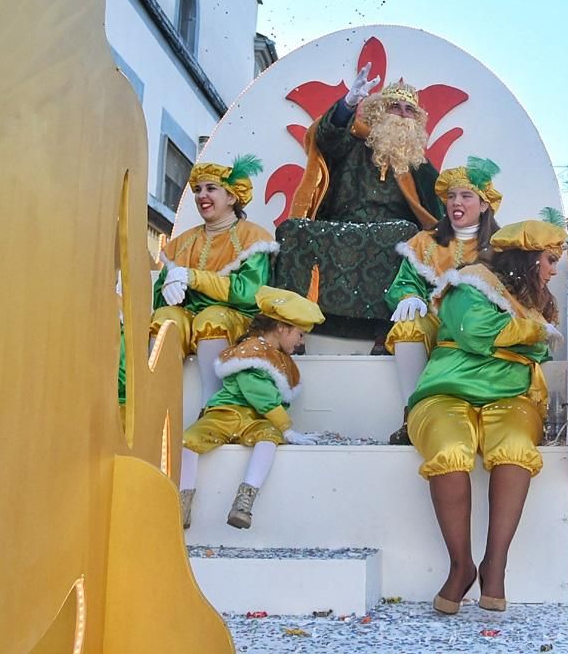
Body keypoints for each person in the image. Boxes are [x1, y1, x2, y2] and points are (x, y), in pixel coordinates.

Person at [406, 218, 565, 614]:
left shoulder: (537, 300)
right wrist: (530, 334)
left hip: (512, 395)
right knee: (450, 449)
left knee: (515, 447)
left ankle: (496, 564)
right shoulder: (469, 281)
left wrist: (517, 336)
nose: (554, 269)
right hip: (446, 390)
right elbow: (475, 331)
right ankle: (461, 566)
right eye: (549, 259)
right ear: (528, 258)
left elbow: (537, 349)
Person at [275, 66, 444, 341]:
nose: (402, 115)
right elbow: (327, 138)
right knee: (293, 230)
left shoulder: (418, 166)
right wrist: (347, 105)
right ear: (379, 112)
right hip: (340, 228)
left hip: (392, 234)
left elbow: (439, 209)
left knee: (405, 235)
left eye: (408, 109)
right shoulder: (353, 143)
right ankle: (291, 328)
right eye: (394, 107)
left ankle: (385, 329)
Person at [178, 284, 324, 530]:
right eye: (299, 334)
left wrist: (279, 430)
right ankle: (181, 504)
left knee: (268, 437)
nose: (301, 342)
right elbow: (257, 392)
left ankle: (244, 502)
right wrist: (286, 427)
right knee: (188, 441)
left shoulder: (278, 357)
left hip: (255, 419)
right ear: (281, 328)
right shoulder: (252, 350)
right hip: (225, 413)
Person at [383, 156, 502, 445]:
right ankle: (413, 414)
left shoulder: (501, 247)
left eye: (465, 196)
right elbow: (405, 281)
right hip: (436, 321)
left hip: (476, 328)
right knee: (406, 325)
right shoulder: (425, 242)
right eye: (451, 196)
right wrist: (410, 296)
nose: (456, 202)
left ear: (484, 204)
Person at [151, 155, 277, 402]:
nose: (201, 196)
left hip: (235, 318)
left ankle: (212, 403)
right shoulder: (182, 243)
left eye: (211, 188)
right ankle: (156, 403)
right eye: (198, 190)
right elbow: (159, 300)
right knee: (165, 318)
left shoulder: (253, 237)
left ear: (231, 196)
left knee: (212, 318)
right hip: (189, 319)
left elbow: (248, 293)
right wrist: (167, 288)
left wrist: (193, 277)